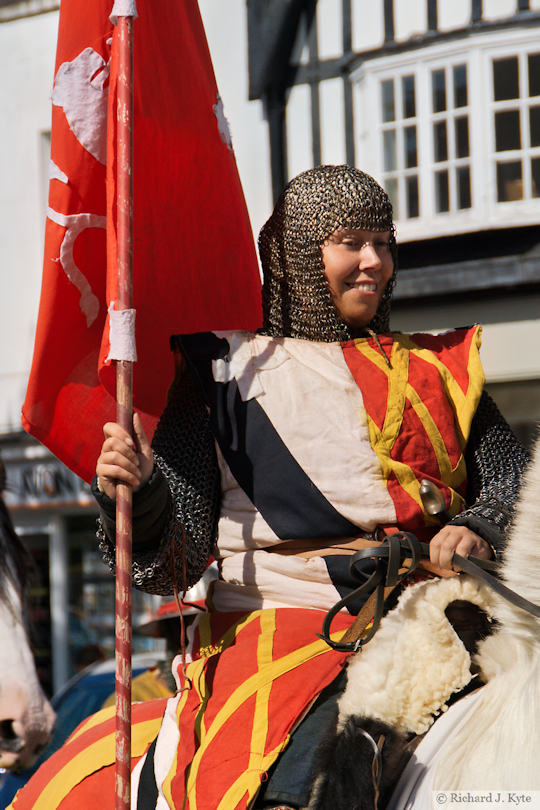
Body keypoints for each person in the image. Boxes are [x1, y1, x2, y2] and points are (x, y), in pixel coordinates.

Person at [92, 165, 528, 809]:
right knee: (299, 787)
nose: (373, 262)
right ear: (297, 254)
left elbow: (513, 483)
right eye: (350, 242)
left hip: (442, 608)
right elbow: (171, 567)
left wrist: (480, 525)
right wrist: (143, 492)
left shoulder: (440, 369)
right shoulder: (225, 373)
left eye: (383, 243)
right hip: (290, 625)